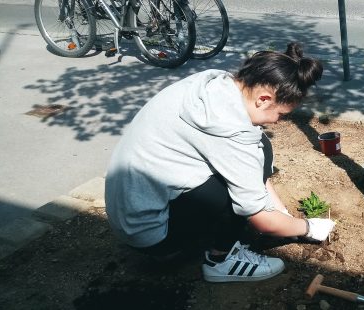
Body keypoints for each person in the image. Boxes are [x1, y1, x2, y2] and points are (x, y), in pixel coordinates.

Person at [105, 42, 336, 283]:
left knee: (260, 146)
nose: (277, 122)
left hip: (129, 211)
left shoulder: (214, 85)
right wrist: (307, 227)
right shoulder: (230, 130)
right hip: (150, 233)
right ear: (263, 99)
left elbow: (254, 165)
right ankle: (221, 260)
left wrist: (282, 214)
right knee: (235, 191)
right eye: (281, 114)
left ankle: (218, 236)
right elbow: (263, 222)